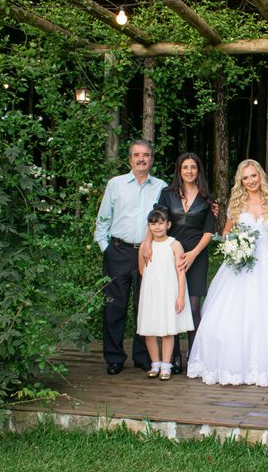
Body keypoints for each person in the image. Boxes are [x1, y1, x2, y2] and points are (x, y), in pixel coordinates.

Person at [187, 159, 268, 386]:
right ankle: (233, 365)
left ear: (261, 176)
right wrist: (236, 245)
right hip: (242, 266)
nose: (250, 181)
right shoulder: (236, 204)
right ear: (241, 181)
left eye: (254, 176)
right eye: (245, 177)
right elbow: (226, 233)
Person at [94, 139, 167, 375]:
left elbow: (173, 215)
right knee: (115, 306)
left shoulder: (162, 187)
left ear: (151, 159)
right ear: (130, 159)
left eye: (146, 154)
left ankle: (142, 356)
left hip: (149, 252)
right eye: (136, 154)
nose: (141, 158)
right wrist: (106, 248)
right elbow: (103, 218)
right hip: (119, 251)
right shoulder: (116, 184)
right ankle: (114, 357)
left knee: (145, 306)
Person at [141, 153, 215, 374]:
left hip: (196, 254)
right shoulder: (167, 194)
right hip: (168, 254)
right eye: (185, 167)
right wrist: (147, 243)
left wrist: (192, 254)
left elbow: (209, 231)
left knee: (192, 307)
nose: (189, 171)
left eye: (193, 167)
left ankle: (194, 357)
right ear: (179, 170)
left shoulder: (206, 197)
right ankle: (172, 359)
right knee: (169, 305)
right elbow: (155, 219)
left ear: (198, 170)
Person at [137, 206, 194, 380]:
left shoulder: (175, 245)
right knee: (149, 329)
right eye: (153, 224)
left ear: (168, 224)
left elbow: (180, 272)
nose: (157, 227)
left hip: (169, 292)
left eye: (161, 223)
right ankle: (155, 363)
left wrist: (181, 295)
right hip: (151, 293)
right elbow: (142, 271)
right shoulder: (145, 247)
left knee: (168, 329)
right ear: (149, 227)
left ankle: (166, 365)